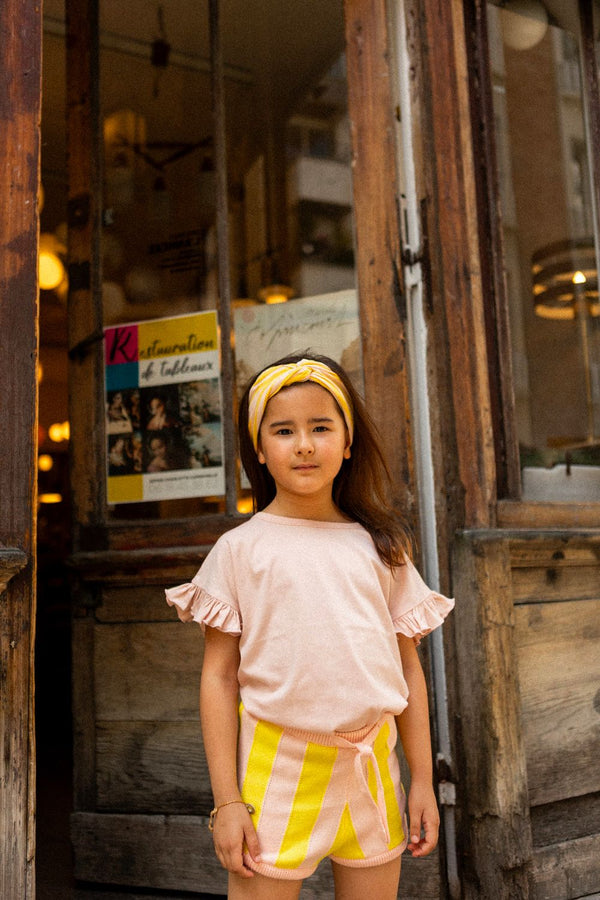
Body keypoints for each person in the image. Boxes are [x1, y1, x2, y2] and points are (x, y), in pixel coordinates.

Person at [165, 354, 454, 900]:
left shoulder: (383, 548)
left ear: (347, 443)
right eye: (283, 431)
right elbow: (218, 678)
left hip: (373, 768)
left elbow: (408, 671)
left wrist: (422, 780)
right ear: (259, 449)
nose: (303, 445)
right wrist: (227, 802)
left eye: (321, 427)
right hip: (277, 771)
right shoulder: (240, 551)